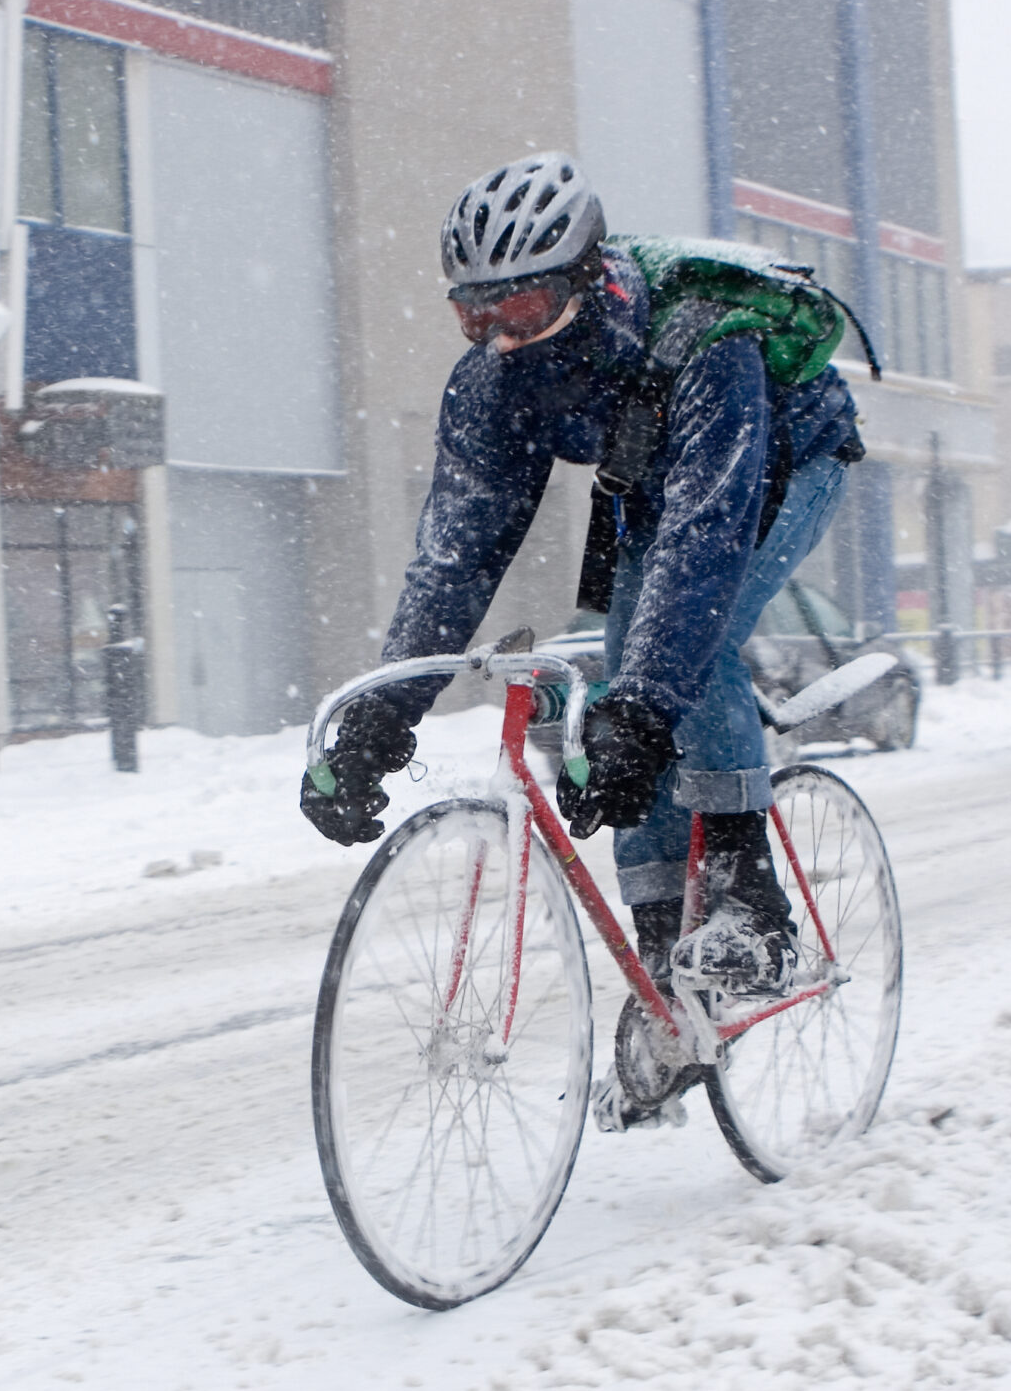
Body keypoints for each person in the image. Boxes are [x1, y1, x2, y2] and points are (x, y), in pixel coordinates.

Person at [298, 153, 863, 1123]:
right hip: (656, 473)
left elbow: (703, 544)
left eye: (521, 311)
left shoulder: (702, 344)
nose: (500, 339)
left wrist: (646, 713)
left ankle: (745, 901)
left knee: (691, 647)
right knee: (618, 682)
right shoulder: (490, 388)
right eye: (475, 316)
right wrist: (376, 722)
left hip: (780, 453)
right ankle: (663, 983)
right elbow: (453, 559)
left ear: (587, 281)